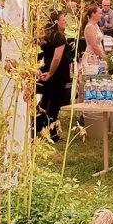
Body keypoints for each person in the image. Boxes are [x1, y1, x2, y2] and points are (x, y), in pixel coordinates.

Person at [37, 11, 71, 142]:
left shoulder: (46, 36)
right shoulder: (59, 37)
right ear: (56, 22)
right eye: (63, 19)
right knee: (54, 104)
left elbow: (40, 54)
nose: (65, 22)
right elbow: (57, 58)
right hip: (56, 74)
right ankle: (53, 134)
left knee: (45, 102)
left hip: (47, 73)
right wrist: (51, 73)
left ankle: (37, 127)